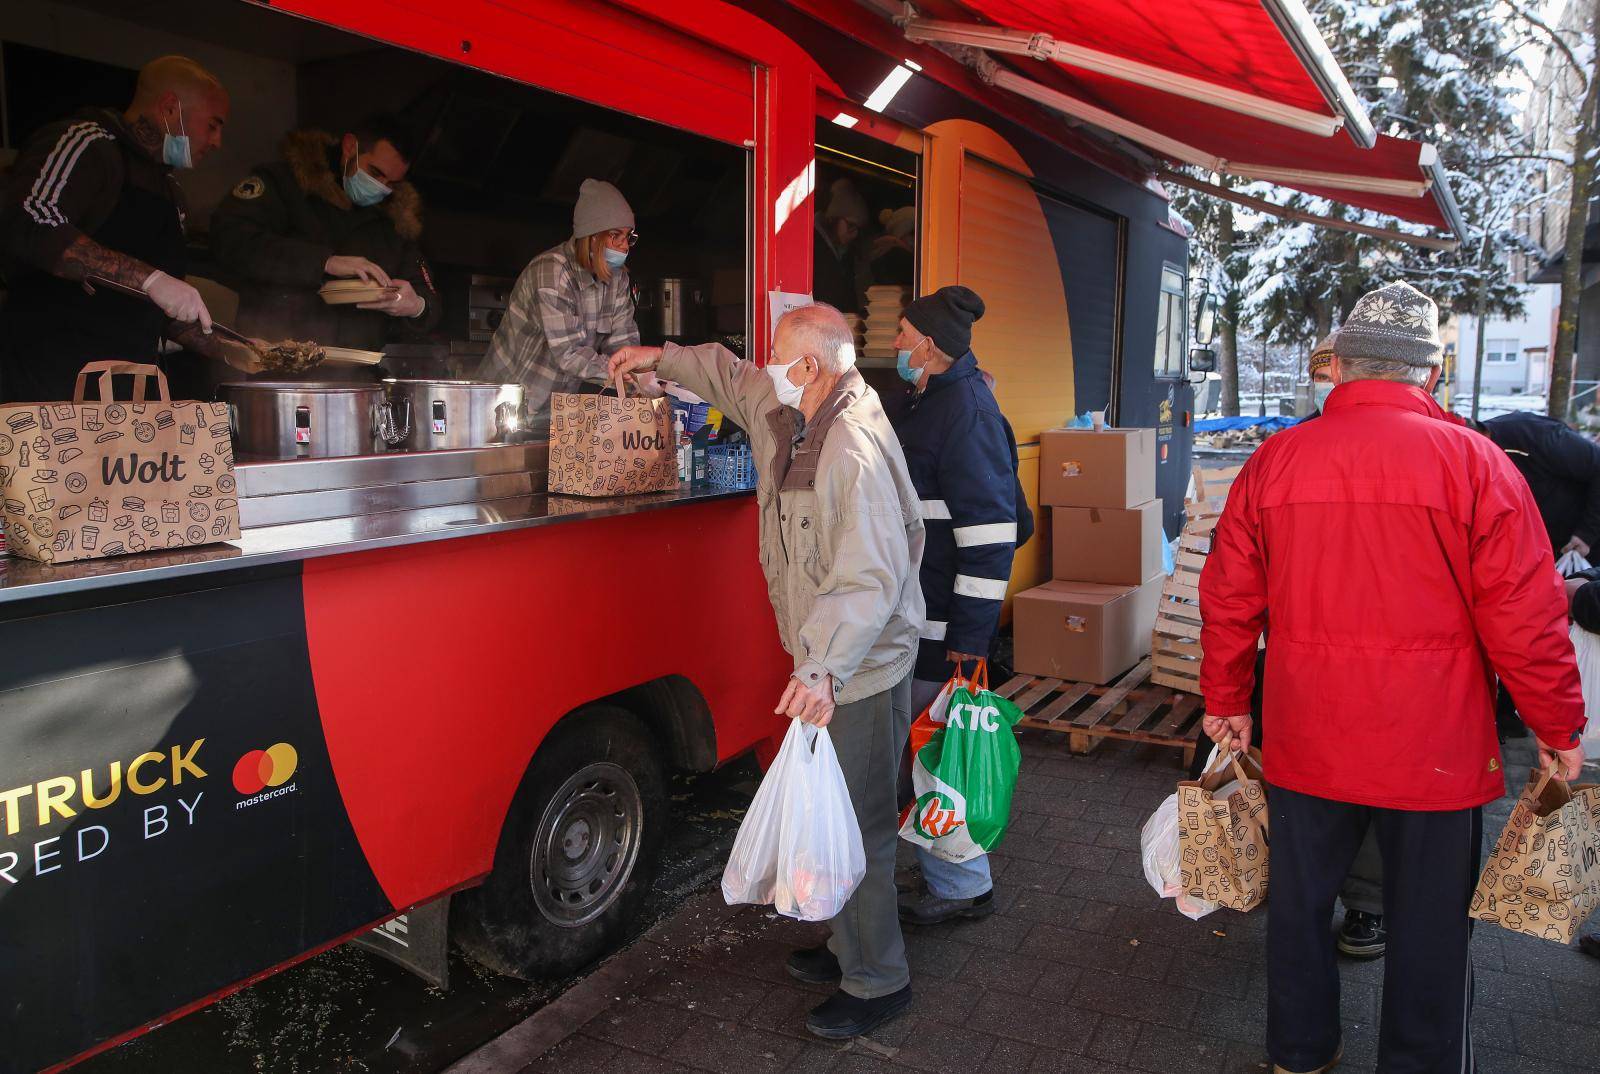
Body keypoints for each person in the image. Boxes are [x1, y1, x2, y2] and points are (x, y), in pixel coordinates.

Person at [1199, 280, 1585, 1074]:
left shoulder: (1278, 458)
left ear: (1339, 367)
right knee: (1433, 923)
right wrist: (1558, 727)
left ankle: (1299, 1052)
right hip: (1438, 745)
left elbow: (1229, 594)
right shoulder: (1474, 461)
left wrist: (1228, 700)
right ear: (1430, 375)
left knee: (1300, 908)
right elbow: (1527, 613)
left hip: (1310, 732)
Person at [608, 304, 924, 1040]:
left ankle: (878, 979)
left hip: (859, 669)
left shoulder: (852, 447)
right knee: (835, 815)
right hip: (830, 661)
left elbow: (869, 578)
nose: (768, 368)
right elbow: (731, 375)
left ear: (811, 368)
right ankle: (845, 939)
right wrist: (659, 357)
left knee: (862, 824)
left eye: (781, 358)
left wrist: (820, 671)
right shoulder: (790, 409)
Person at [885, 285, 1031, 926]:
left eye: (902, 333)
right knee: (929, 754)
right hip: (930, 615)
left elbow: (995, 534)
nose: (894, 343)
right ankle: (950, 878)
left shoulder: (963, 411)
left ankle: (961, 888)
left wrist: (970, 642)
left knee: (938, 758)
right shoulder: (936, 400)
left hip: (945, 627)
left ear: (931, 346)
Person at [0, 55, 260, 402]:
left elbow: (166, 310)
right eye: (213, 125)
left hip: (126, 393)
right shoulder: (85, 143)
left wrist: (239, 349)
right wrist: (149, 279)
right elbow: (28, 219)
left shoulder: (171, 192)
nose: (217, 141)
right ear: (170, 108)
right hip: (46, 383)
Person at [210, 114, 441, 355]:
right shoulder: (283, 185)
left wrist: (417, 306)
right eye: (374, 172)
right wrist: (324, 262)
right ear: (350, 147)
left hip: (356, 376)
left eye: (392, 183)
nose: (382, 187)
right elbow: (230, 238)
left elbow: (428, 295)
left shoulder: (396, 221)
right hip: (275, 365)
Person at [478, 179, 640, 434]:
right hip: (500, 409)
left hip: (553, 415)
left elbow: (624, 342)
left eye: (628, 237)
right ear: (591, 236)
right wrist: (625, 373)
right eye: (615, 235)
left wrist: (641, 371)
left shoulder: (617, 279)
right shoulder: (552, 271)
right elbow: (569, 353)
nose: (623, 246)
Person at [1475, 410, 1600, 559]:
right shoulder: (1479, 461)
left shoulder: (1533, 433)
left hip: (1582, 539)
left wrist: (1586, 534)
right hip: (1543, 543)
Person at [813, 178, 868, 313]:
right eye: (850, 225)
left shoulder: (846, 254)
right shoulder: (813, 245)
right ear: (834, 218)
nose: (854, 234)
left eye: (858, 229)